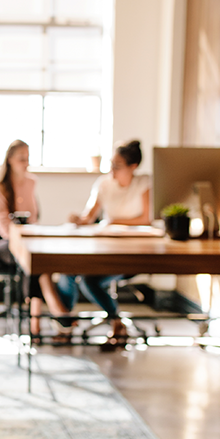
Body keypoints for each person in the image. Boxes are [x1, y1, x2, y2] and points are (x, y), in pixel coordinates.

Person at [62, 139, 151, 350]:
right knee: (77, 274)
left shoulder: (144, 183)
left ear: (133, 167)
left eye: (117, 166)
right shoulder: (103, 184)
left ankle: (116, 323)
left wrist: (115, 222)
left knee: (89, 281)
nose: (112, 170)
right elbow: (89, 216)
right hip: (106, 249)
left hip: (133, 253)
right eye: (111, 164)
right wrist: (78, 219)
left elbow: (146, 218)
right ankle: (70, 324)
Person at [0, 139, 74, 340]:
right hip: (3, 242)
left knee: (36, 260)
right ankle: (51, 313)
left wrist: (27, 239)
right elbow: (3, 225)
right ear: (9, 160)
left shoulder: (31, 182)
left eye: (28, 159)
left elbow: (33, 217)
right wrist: (21, 242)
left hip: (27, 238)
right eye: (21, 159)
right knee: (31, 259)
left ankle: (37, 325)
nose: (26, 163)